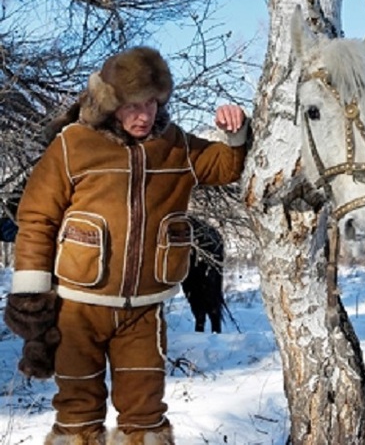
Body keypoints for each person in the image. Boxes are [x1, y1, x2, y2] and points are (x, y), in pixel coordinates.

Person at [3, 46, 250, 445]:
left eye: (153, 103)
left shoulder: (176, 146)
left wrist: (235, 131)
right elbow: (37, 220)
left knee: (146, 419)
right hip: (77, 308)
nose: (145, 115)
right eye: (134, 105)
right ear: (111, 104)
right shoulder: (74, 145)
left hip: (143, 313)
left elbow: (225, 165)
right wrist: (31, 297)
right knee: (77, 416)